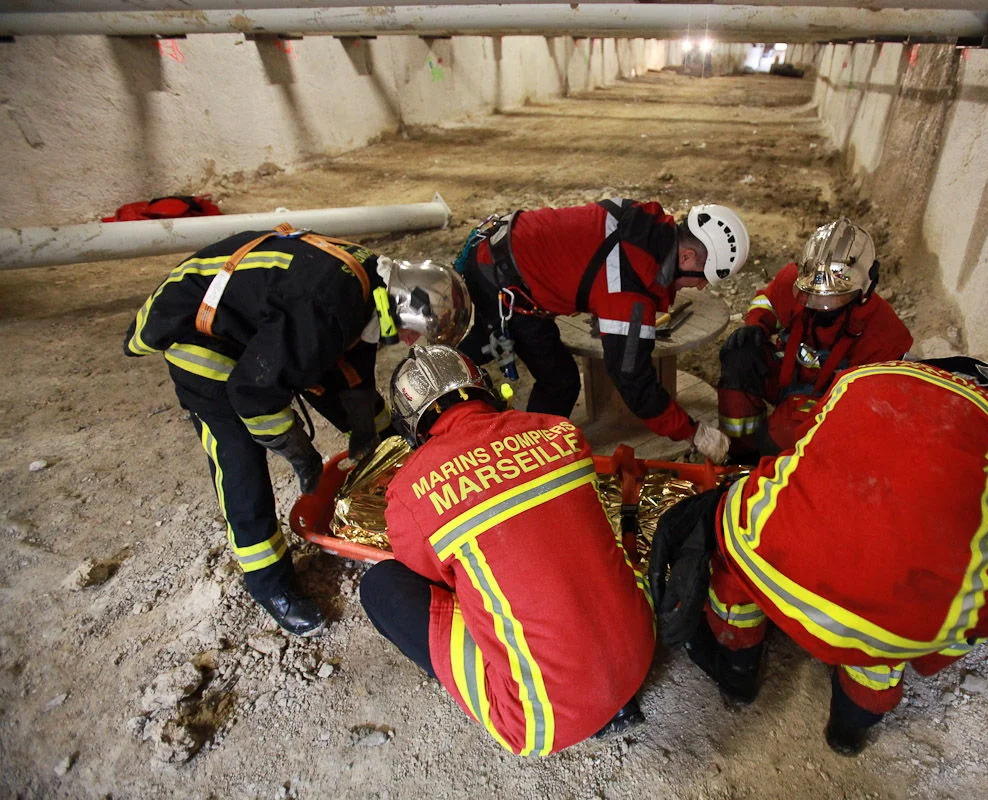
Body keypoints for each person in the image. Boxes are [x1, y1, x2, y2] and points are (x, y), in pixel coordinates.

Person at [650, 357, 988, 756]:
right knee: (885, 644)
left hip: (774, 564)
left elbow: (798, 454)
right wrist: (950, 639)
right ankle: (849, 729)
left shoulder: (864, 377)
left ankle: (737, 671)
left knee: (735, 551)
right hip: (903, 623)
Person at [123, 224, 470, 636]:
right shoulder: (325, 306)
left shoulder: (369, 280)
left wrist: (377, 435)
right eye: (410, 337)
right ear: (403, 312)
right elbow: (253, 392)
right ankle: (270, 584)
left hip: (259, 325)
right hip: (202, 336)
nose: (404, 343)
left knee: (350, 400)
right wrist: (297, 449)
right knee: (240, 461)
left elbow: (345, 365)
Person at [360, 345, 655, 755]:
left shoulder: (411, 489)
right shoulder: (558, 431)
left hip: (544, 722)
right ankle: (610, 695)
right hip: (640, 651)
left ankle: (528, 685)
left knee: (380, 586)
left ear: (410, 426)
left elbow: (427, 578)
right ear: (484, 387)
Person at [454, 199, 750, 464]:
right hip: (500, 279)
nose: (699, 287)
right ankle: (525, 461)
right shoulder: (630, 288)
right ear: (685, 257)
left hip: (496, 244)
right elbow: (633, 380)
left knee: (470, 353)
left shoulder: (643, 224)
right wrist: (693, 432)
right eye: (703, 279)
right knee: (559, 381)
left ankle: (434, 380)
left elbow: (589, 259)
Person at [717, 217, 912, 462]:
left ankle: (774, 463)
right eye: (811, 295)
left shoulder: (884, 332)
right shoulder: (793, 282)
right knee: (739, 356)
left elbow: (873, 404)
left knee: (783, 435)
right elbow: (768, 301)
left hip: (833, 401)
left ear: (866, 287)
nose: (820, 306)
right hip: (788, 375)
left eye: (833, 298)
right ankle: (738, 453)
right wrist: (756, 325)